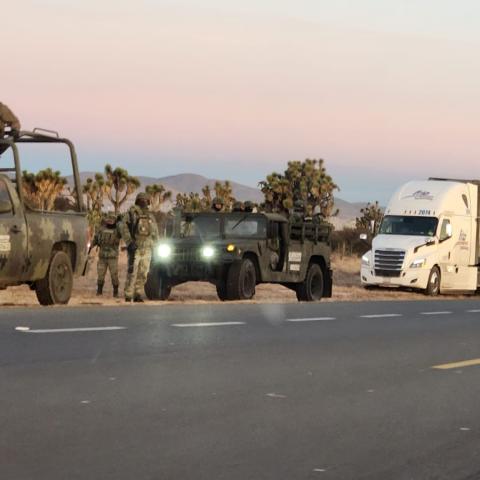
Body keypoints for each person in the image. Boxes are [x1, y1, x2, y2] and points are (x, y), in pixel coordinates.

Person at [120, 192, 159, 302]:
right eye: (142, 200)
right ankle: (128, 294)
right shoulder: (132, 213)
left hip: (147, 249)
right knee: (132, 272)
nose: (144, 202)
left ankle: (138, 293)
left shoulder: (150, 215)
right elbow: (124, 228)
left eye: (146, 200)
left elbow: (155, 232)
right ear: (138, 201)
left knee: (143, 273)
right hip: (135, 248)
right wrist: (129, 243)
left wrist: (156, 247)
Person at [91, 213, 121, 297]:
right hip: (102, 256)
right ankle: (99, 291)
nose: (110, 221)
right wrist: (91, 246)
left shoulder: (118, 230)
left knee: (114, 275)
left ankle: (115, 292)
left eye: (112, 220)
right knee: (100, 274)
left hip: (113, 257)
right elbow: (96, 239)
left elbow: (124, 232)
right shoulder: (101, 230)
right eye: (109, 219)